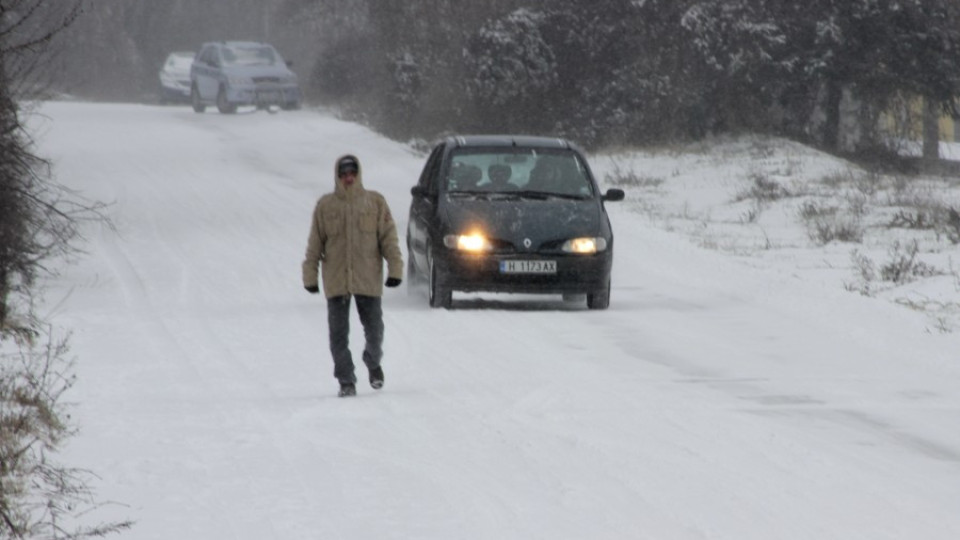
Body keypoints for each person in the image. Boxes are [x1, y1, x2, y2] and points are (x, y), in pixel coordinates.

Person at [302, 155, 404, 397]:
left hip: (367, 279)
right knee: (338, 336)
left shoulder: (375, 202)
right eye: (343, 174)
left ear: (359, 175)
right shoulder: (325, 206)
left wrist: (396, 269)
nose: (348, 178)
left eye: (352, 174)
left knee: (375, 331)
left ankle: (372, 360)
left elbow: (389, 238)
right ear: (337, 177)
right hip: (337, 282)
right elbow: (315, 244)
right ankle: (346, 380)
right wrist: (310, 276)